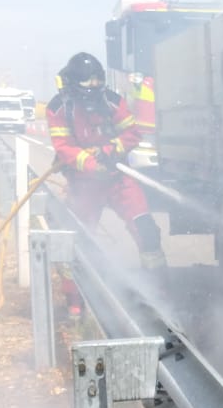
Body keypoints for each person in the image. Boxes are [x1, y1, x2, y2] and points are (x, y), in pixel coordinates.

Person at [47, 52, 166, 277]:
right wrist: (92, 164)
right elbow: (64, 147)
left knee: (146, 230)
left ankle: (160, 293)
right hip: (83, 185)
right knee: (76, 240)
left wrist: (109, 150)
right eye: (87, 81)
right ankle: (76, 302)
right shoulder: (58, 109)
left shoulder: (112, 101)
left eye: (97, 81)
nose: (93, 86)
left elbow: (132, 133)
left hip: (118, 179)